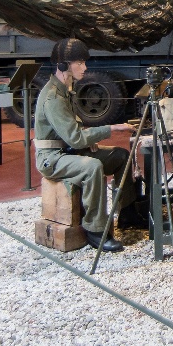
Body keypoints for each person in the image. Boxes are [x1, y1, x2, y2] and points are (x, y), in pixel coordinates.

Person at [34, 38, 135, 252]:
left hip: (67, 151)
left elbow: (74, 135)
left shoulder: (65, 90)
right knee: (92, 168)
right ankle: (96, 230)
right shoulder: (53, 98)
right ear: (63, 66)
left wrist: (86, 143)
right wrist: (112, 129)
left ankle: (128, 211)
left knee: (120, 157)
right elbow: (75, 138)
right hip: (51, 159)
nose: (85, 67)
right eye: (79, 63)